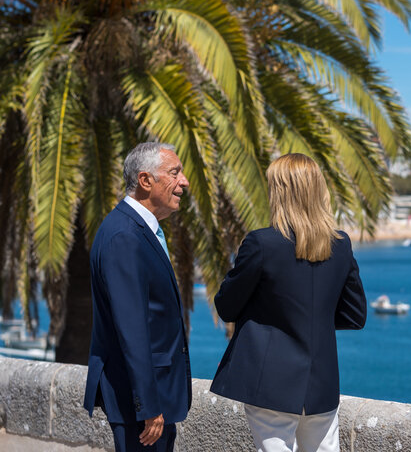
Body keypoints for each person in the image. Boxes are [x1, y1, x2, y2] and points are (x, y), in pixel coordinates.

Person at [210, 153, 367, 452]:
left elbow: (226, 307)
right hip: (321, 381)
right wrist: (314, 320)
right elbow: (356, 315)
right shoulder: (340, 243)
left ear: (279, 191)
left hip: (270, 381)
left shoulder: (261, 243)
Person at [83, 142, 192, 452]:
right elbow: (132, 328)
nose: (183, 182)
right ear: (146, 181)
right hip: (141, 406)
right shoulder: (125, 237)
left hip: (150, 400)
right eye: (174, 173)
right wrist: (147, 406)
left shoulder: (136, 230)